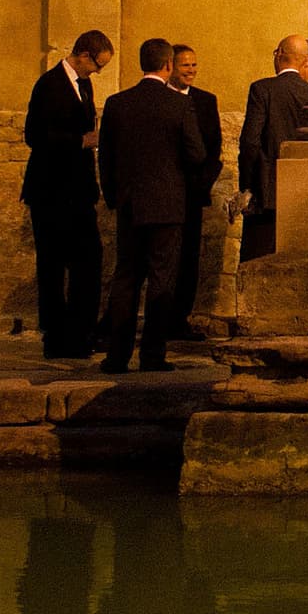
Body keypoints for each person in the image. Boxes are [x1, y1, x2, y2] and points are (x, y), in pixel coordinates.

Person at [94, 38, 209, 373]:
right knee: (162, 279)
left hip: (130, 203)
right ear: (168, 66)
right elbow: (197, 153)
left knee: (126, 277)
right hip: (168, 204)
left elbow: (106, 156)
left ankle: (117, 355)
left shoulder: (118, 104)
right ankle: (152, 355)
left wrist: (113, 195)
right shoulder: (178, 106)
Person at [19, 30, 109, 360]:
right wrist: (80, 141)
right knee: (53, 265)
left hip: (78, 191)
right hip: (51, 191)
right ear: (83, 55)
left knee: (88, 260)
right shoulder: (49, 84)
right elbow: (34, 135)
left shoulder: (84, 85)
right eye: (97, 65)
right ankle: (57, 337)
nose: (98, 72)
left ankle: (79, 331)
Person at [235, 35, 308, 265]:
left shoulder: (262, 89)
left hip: (267, 191)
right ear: (305, 61)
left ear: (278, 55)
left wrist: (248, 186)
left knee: (256, 261)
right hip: (305, 191)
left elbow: (250, 142)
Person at [169, 42, 224, 330]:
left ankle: (180, 317)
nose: (191, 70)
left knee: (189, 258)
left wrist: (201, 184)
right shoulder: (160, 99)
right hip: (165, 192)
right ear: (170, 67)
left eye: (193, 64)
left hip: (192, 192)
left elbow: (213, 148)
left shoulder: (205, 101)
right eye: (184, 65)